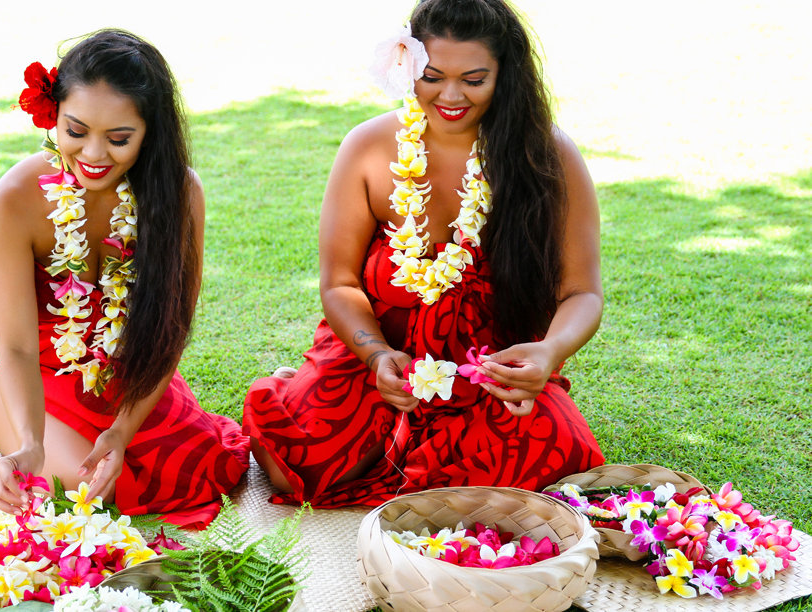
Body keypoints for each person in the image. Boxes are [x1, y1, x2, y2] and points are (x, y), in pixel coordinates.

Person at [243, 0, 605, 508]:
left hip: (488, 373)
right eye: (432, 76)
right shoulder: (368, 147)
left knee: (554, 461)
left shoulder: (547, 156)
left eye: (474, 79)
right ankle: (303, 386)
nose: (451, 96)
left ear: (505, 74)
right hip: (381, 367)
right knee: (293, 464)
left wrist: (548, 352)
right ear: (407, 64)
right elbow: (340, 282)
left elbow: (582, 292)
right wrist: (375, 355)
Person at [0, 29, 249, 528]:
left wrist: (122, 430)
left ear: (149, 133)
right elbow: (18, 346)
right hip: (17, 359)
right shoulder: (13, 202)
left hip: (118, 357)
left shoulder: (179, 195)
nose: (93, 154)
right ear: (54, 118)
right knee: (81, 490)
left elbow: (169, 328)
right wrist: (31, 444)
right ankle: (19, 430)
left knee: (206, 466)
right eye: (76, 130)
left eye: (118, 139)